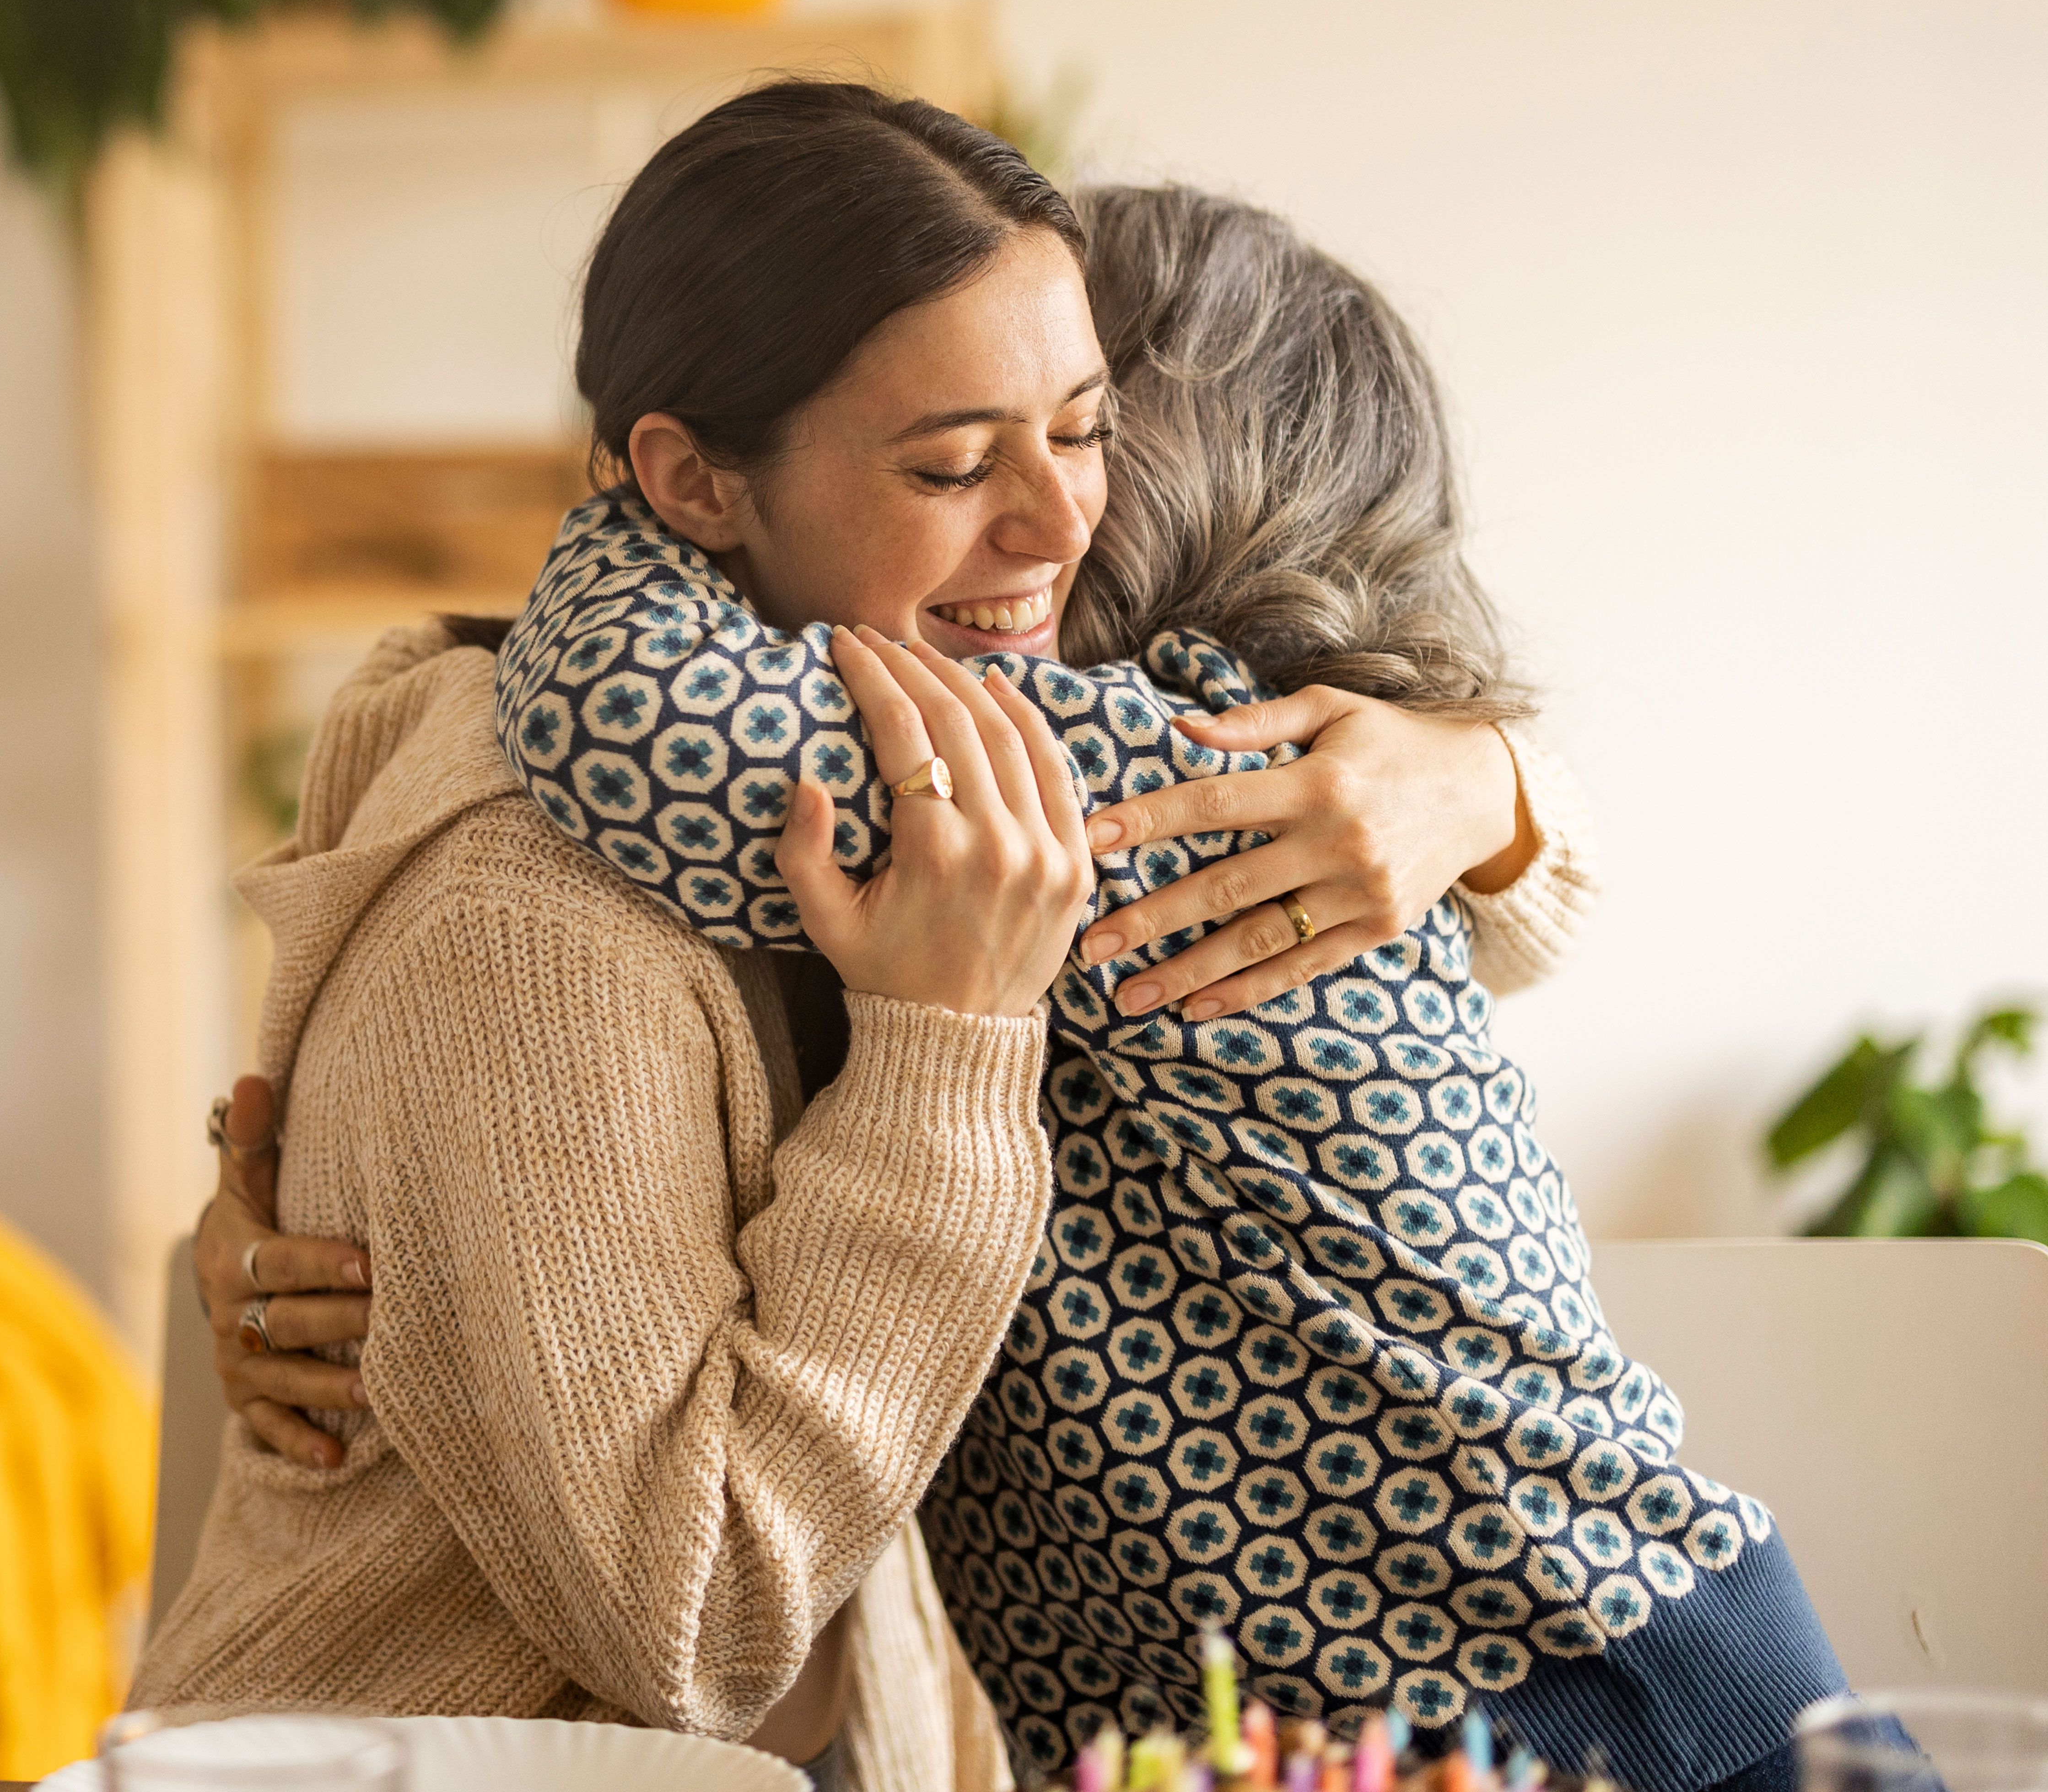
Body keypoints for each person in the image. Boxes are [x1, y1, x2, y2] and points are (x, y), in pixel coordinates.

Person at [197, 178, 1851, 1789]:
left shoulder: (1180, 778)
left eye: (1085, 428)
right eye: (957, 447)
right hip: (1344, 1708)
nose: (1053, 512)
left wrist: (1491, 794)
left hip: (1559, 1694)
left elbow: (617, 702)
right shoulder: (1137, 793)